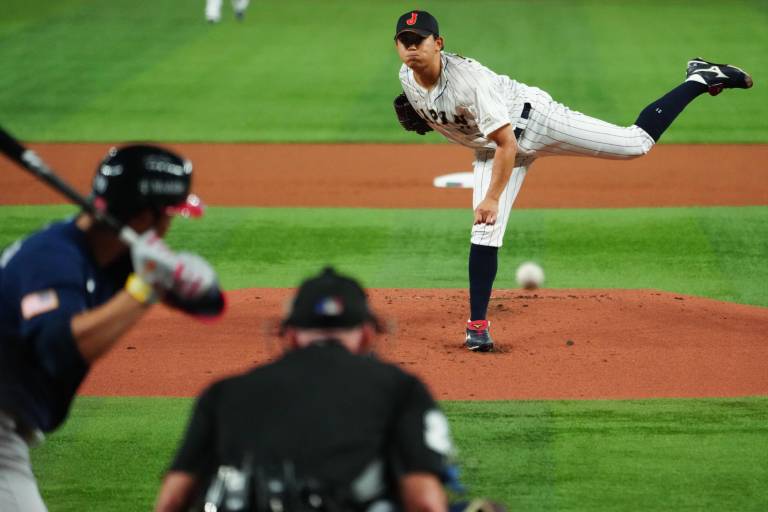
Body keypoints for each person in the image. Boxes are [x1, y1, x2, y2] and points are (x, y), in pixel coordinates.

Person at [392, 10, 754, 353]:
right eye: (404, 40)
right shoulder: (406, 78)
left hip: (533, 123)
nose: (411, 47)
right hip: (493, 148)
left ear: (438, 43)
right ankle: (477, 327)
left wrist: (491, 197)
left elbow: (508, 144)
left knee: (634, 144)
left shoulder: (471, 82)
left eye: (418, 40)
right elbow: (460, 123)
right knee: (484, 231)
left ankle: (699, 78)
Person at [0, 144, 223, 511]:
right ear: (140, 218)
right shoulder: (51, 259)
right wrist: (143, 291)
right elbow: (60, 349)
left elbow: (209, 306)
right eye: (167, 215)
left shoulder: (106, 255)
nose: (168, 227)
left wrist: (196, 286)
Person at [155, 266, 457, 512]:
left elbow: (171, 500)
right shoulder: (402, 388)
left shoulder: (223, 392)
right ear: (366, 334)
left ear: (290, 336)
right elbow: (425, 502)